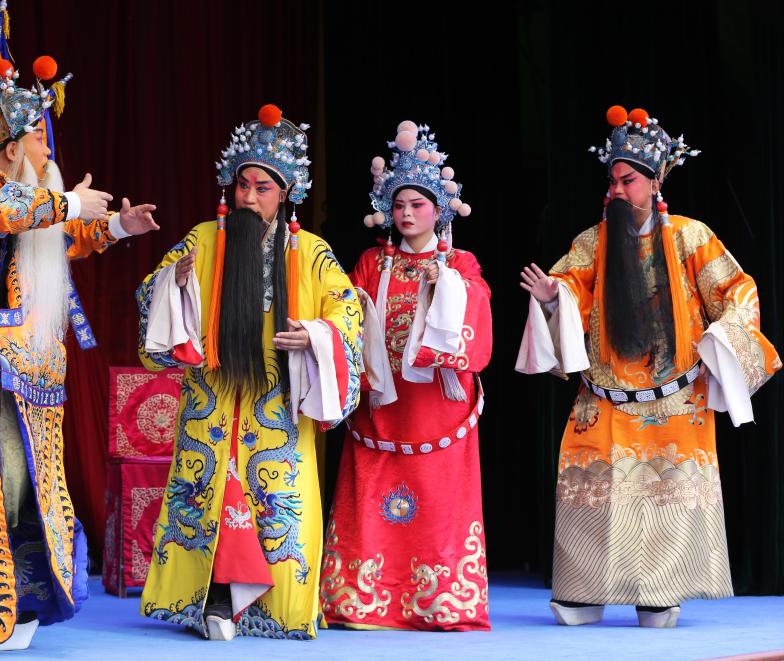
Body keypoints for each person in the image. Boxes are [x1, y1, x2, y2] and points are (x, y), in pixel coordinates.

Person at [0, 9, 158, 652]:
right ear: (13, 147)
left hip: (32, 373)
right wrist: (68, 202)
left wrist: (117, 226)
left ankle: (19, 601)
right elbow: (6, 214)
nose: (49, 152)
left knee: (32, 489)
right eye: (40, 140)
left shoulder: (35, 199)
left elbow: (60, 238)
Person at [516, 105, 781, 628]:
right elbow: (571, 289)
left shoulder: (690, 236)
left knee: (664, 494)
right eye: (612, 181)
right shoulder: (592, 242)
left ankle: (659, 594)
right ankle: (583, 591)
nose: (617, 190)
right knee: (591, 492)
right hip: (604, 397)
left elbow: (739, 291)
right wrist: (552, 298)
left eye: (628, 181)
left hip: (674, 397)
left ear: (656, 181)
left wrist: (720, 337)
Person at [137, 104, 362, 640]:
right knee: (207, 491)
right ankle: (213, 598)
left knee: (276, 495)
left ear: (285, 194)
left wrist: (316, 336)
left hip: (277, 398)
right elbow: (150, 293)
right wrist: (175, 285)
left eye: (262, 188)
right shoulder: (202, 240)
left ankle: (273, 605)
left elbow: (347, 311)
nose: (249, 197)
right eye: (243, 186)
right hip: (213, 395)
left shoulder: (311, 252)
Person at [319, 121, 491, 631]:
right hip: (382, 402)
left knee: (437, 501)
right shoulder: (373, 262)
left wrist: (448, 285)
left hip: (436, 405)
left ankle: (442, 603)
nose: (407, 214)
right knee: (373, 498)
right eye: (398, 205)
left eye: (417, 205)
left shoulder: (460, 262)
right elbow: (345, 312)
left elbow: (477, 306)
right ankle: (360, 601)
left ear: (439, 211)